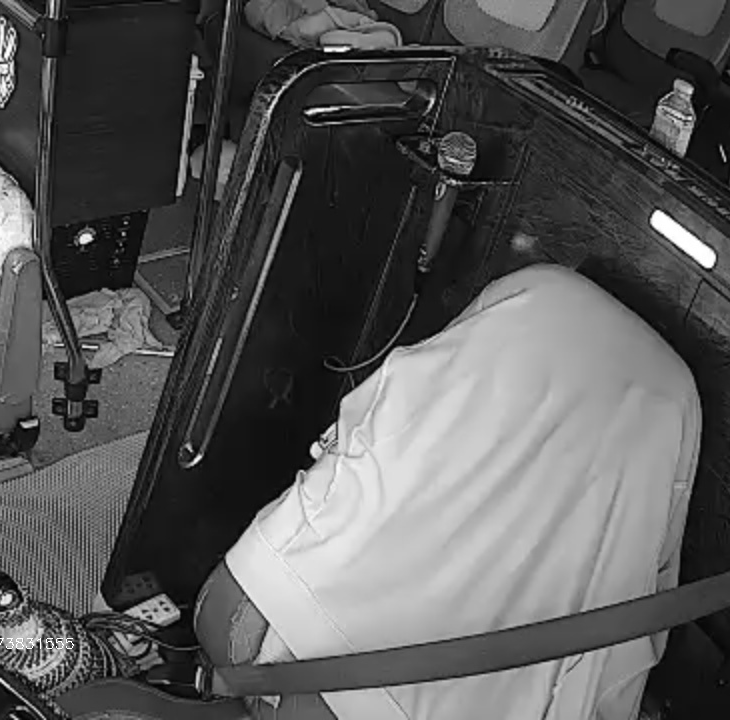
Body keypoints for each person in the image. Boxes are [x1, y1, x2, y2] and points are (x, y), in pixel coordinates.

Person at [221, 264, 701, 719]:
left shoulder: (536, 290)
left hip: (262, 610)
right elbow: (635, 622)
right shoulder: (673, 406)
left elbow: (377, 411)